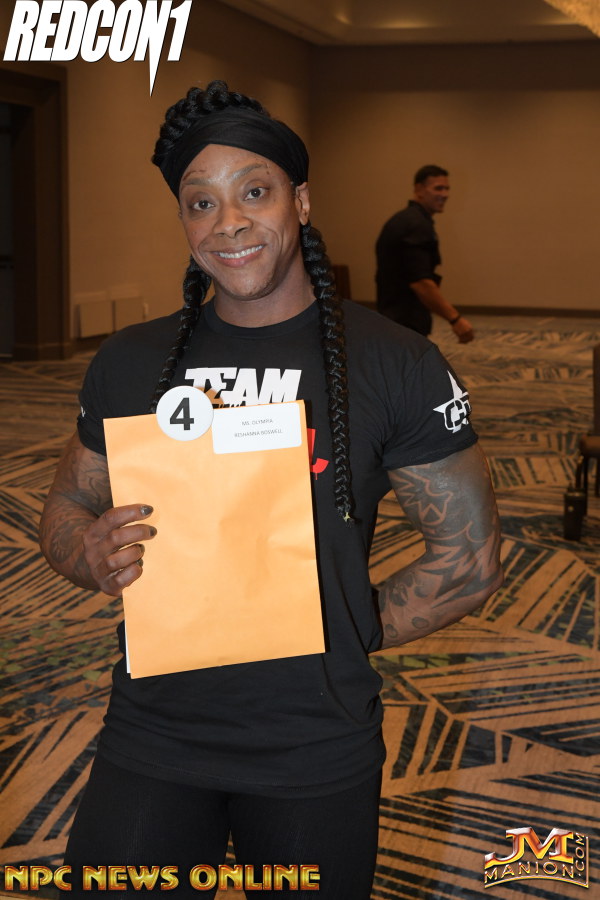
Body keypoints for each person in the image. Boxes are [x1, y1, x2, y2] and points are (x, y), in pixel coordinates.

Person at [39, 81, 503, 898]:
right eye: (201, 203)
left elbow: (468, 559)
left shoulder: (394, 363)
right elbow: (66, 509)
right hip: (154, 729)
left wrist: (344, 627)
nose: (229, 222)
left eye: (254, 192)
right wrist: (85, 550)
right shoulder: (131, 361)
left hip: (314, 741)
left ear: (301, 201)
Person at [375, 164, 475, 343]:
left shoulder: (406, 219)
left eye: (447, 188)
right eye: (438, 188)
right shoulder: (416, 225)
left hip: (393, 317)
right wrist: (455, 319)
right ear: (419, 189)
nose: (445, 194)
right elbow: (421, 283)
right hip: (405, 321)